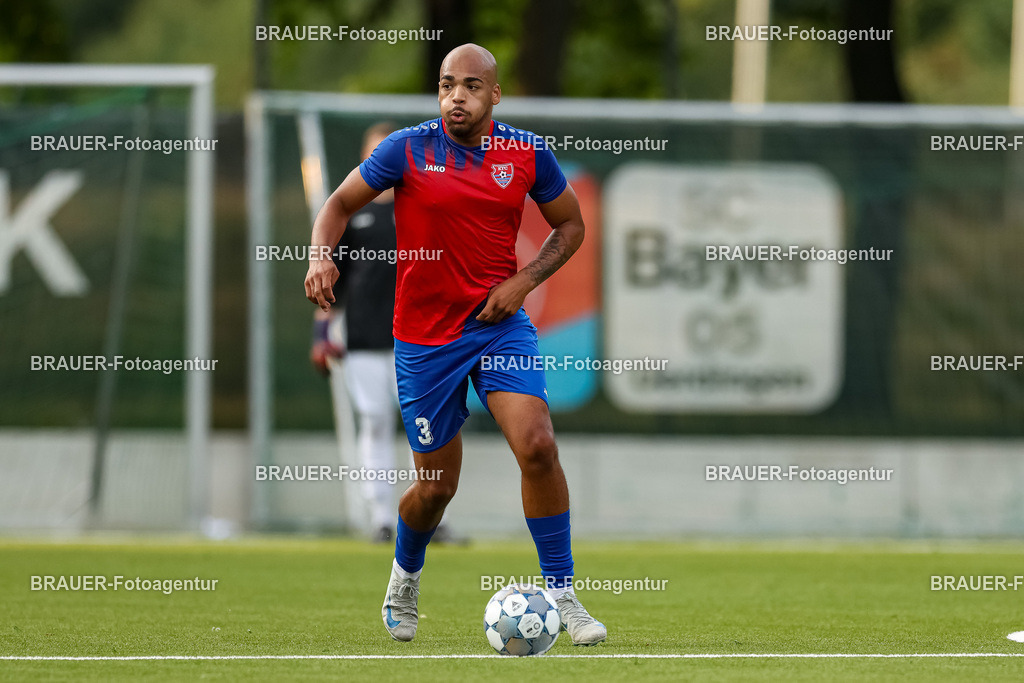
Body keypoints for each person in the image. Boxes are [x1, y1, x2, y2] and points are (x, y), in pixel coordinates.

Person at [305, 43, 606, 646]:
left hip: (499, 327)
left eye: (471, 86)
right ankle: (404, 578)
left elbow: (570, 225)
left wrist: (523, 282)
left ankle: (563, 593)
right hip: (424, 342)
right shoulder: (406, 149)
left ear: (495, 95)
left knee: (539, 446)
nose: (456, 97)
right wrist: (320, 256)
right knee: (437, 488)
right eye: (447, 85)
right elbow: (336, 205)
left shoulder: (524, 152)